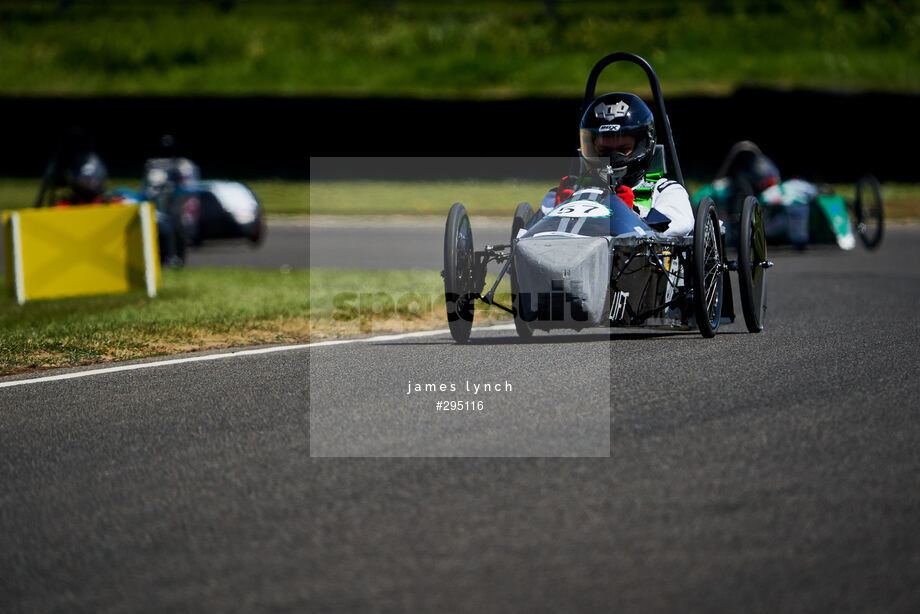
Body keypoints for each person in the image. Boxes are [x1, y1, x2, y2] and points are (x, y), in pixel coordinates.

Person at [541, 92, 695, 236]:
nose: (612, 159)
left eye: (622, 149)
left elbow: (679, 225)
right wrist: (558, 211)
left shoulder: (665, 190)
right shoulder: (570, 190)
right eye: (603, 150)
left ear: (642, 145)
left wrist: (629, 214)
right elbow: (528, 237)